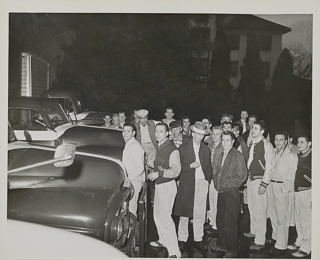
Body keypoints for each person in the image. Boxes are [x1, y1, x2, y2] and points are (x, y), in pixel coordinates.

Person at [174, 121, 212, 251]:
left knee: (200, 212)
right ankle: (182, 238)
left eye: (202, 134)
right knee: (185, 212)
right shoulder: (183, 148)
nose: (200, 137)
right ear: (193, 133)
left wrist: (207, 180)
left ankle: (198, 238)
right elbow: (177, 167)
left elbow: (209, 168)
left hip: (201, 182)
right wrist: (189, 166)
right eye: (198, 134)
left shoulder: (206, 149)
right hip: (187, 182)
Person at [211, 131, 247, 258]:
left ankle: (232, 249)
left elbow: (241, 177)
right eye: (223, 140)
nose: (225, 143)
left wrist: (224, 183)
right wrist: (217, 183)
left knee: (230, 222)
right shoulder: (222, 154)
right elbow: (218, 172)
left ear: (233, 141)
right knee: (220, 220)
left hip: (231, 192)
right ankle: (222, 244)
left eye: (228, 140)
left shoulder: (237, 156)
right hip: (221, 191)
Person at [148, 123, 181, 258]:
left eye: (161, 132)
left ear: (167, 133)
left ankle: (175, 252)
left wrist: (159, 174)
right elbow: (158, 164)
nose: (158, 134)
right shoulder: (160, 146)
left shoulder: (172, 149)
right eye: (156, 131)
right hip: (160, 186)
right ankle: (163, 240)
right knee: (157, 216)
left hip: (167, 186)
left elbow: (176, 170)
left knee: (166, 219)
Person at [243, 120, 275, 251]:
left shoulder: (267, 145)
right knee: (251, 207)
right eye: (252, 128)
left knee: (260, 210)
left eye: (256, 128)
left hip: (259, 181)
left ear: (262, 131)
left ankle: (260, 240)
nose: (253, 130)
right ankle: (254, 230)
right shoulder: (253, 143)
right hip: (251, 181)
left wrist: (264, 183)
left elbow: (270, 167)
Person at [267, 131, 298, 255]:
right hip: (272, 185)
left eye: (281, 140)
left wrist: (286, 189)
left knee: (282, 217)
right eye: (276, 139)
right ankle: (275, 236)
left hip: (282, 187)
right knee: (273, 214)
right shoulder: (273, 152)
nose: (278, 142)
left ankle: (281, 244)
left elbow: (293, 175)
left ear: (286, 141)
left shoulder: (291, 155)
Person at [287, 133, 311, 258]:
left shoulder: (312, 156)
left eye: (302, 142)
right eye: (298, 142)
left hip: (307, 192)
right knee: (298, 219)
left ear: (309, 144)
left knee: (306, 220)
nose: (299, 144)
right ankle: (299, 241)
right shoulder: (299, 155)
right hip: (298, 191)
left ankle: (306, 248)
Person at [122, 123, 145, 216]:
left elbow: (140, 167)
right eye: (124, 131)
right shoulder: (129, 144)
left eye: (128, 131)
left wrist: (128, 178)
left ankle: (133, 229)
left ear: (134, 133)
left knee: (131, 210)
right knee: (128, 209)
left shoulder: (135, 146)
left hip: (134, 181)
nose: (125, 133)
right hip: (131, 181)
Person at [206, 126, 224, 234]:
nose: (215, 136)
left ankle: (217, 225)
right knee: (211, 201)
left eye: (218, 134)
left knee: (217, 202)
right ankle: (212, 223)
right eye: (213, 133)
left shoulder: (223, 147)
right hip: (210, 178)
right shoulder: (210, 146)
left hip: (218, 178)